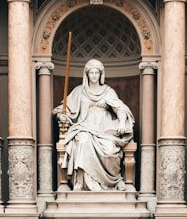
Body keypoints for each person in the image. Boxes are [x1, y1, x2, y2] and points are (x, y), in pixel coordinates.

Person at [55, 58, 134, 191]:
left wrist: (121, 120)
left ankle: (112, 181)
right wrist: (61, 115)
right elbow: (62, 109)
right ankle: (80, 182)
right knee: (82, 141)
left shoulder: (108, 91)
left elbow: (120, 108)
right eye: (91, 73)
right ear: (87, 74)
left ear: (101, 74)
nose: (94, 75)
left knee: (109, 149)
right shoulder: (80, 91)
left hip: (104, 130)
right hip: (84, 127)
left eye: (96, 73)